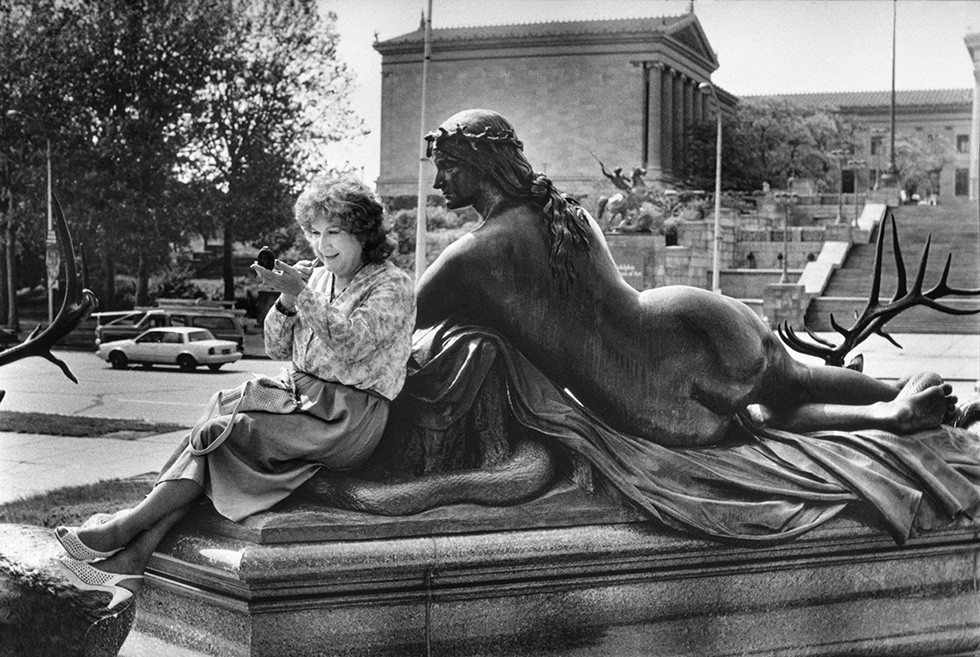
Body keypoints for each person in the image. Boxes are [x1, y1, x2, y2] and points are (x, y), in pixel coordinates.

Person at [418, 108, 951, 449]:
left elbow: (399, 322)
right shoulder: (566, 212)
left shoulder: (472, 256)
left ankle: (891, 416)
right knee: (797, 382)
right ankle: (898, 396)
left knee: (763, 424)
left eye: (448, 166)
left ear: (481, 163)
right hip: (696, 318)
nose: (439, 180)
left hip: (649, 396)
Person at [54, 173, 416, 609]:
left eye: (334, 233)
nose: (323, 245)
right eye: (315, 233)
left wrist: (301, 294)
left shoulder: (391, 284)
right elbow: (279, 347)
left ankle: (122, 530)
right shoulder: (319, 278)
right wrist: (286, 301)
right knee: (220, 408)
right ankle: (131, 558)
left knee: (222, 434)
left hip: (347, 416)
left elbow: (354, 342)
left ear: (363, 232)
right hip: (300, 395)